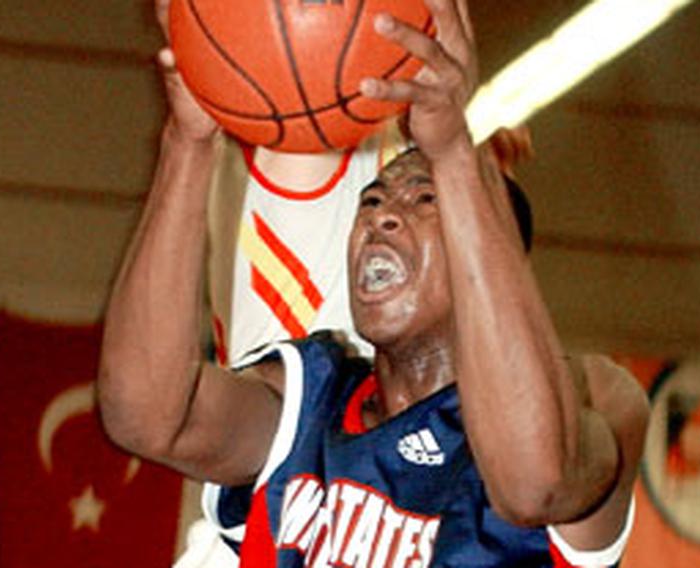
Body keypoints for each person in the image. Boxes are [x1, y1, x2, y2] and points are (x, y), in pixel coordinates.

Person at [100, 0, 649, 565]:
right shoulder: (310, 399)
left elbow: (537, 484)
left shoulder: (596, 394)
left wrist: (455, 152)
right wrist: (186, 143)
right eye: (374, 200)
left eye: (423, 199)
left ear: (486, 253)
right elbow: (143, 417)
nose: (381, 216)